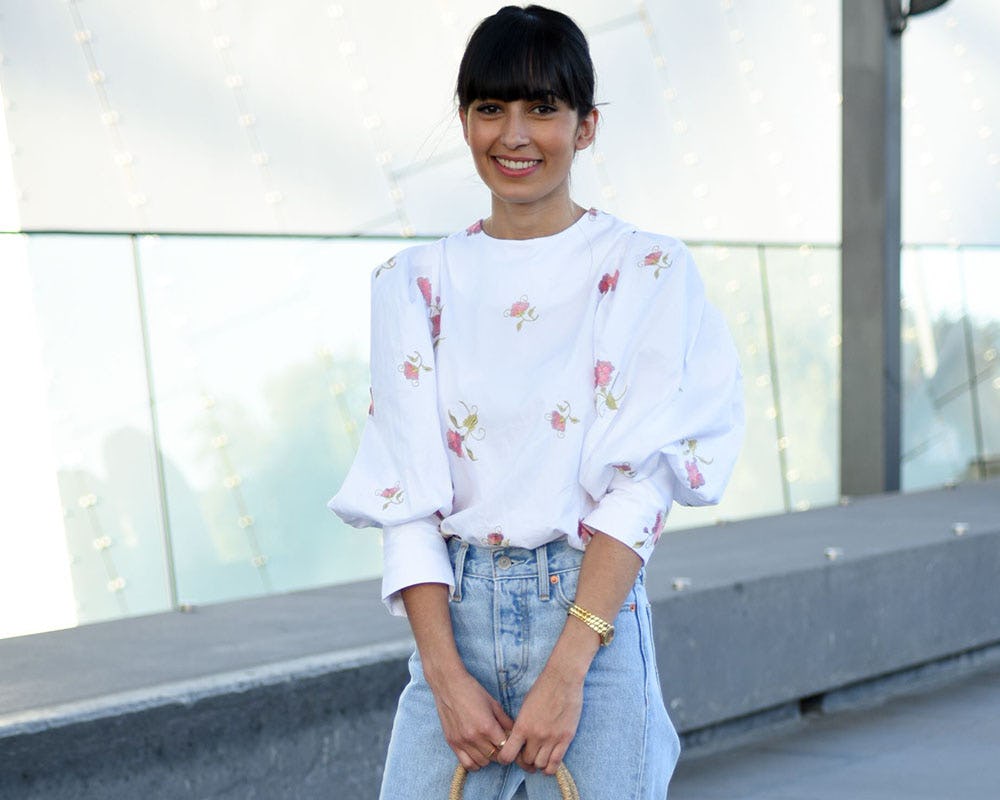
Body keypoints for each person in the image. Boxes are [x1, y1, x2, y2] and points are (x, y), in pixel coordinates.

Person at [329, 5, 744, 798]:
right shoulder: (412, 283)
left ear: (586, 127)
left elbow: (642, 484)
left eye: (543, 109)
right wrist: (445, 677)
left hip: (591, 613)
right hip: (454, 613)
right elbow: (405, 498)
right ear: (464, 120)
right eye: (491, 108)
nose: (514, 135)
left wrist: (569, 667)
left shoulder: (648, 269)